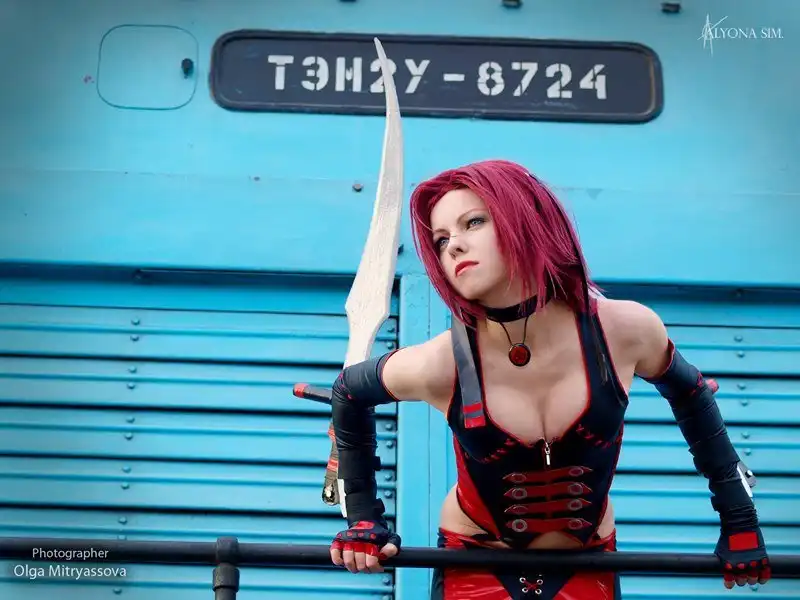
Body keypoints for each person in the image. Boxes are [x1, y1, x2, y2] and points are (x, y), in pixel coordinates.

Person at [326, 159, 771, 599]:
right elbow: (349, 391)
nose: (454, 246)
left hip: (589, 560)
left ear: (527, 217)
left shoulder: (624, 331)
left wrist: (739, 518)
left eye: (473, 222)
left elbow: (692, 394)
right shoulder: (440, 363)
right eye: (441, 240)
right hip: (476, 559)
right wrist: (363, 517)